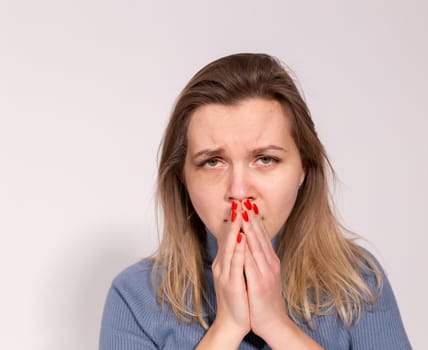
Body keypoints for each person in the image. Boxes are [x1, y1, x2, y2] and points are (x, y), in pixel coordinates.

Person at [99, 53, 412, 349]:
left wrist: (276, 325)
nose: (238, 190)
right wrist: (227, 328)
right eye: (212, 162)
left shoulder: (358, 279)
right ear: (182, 177)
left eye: (265, 159)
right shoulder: (134, 297)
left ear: (303, 167)